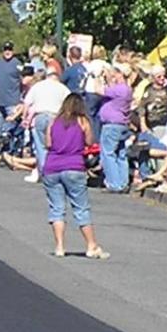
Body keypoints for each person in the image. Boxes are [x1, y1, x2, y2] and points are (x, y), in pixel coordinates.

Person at [40, 93, 108, 259]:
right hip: (73, 165)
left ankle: (59, 246)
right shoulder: (82, 121)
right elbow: (90, 142)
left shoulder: (54, 121)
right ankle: (91, 245)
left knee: (57, 208)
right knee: (80, 207)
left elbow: (48, 144)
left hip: (52, 166)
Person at [22, 65, 70, 184]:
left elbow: (27, 103)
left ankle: (45, 172)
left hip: (40, 116)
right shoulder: (62, 88)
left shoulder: (38, 86)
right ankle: (55, 170)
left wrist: (24, 118)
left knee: (40, 146)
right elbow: (70, 103)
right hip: (56, 117)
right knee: (55, 146)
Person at [97, 66, 134, 193]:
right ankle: (123, 182)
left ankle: (114, 183)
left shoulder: (120, 89)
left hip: (112, 125)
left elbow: (99, 90)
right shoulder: (127, 89)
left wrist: (98, 77)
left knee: (108, 153)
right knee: (121, 154)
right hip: (122, 124)